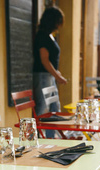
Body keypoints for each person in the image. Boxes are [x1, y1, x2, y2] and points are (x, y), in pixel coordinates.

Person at [33, 6, 67, 138]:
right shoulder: (42, 36)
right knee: (42, 108)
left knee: (54, 107)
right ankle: (35, 138)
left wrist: (57, 75)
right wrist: (57, 76)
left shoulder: (49, 36)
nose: (60, 25)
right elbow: (44, 60)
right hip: (43, 76)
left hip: (49, 76)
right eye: (59, 21)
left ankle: (51, 138)